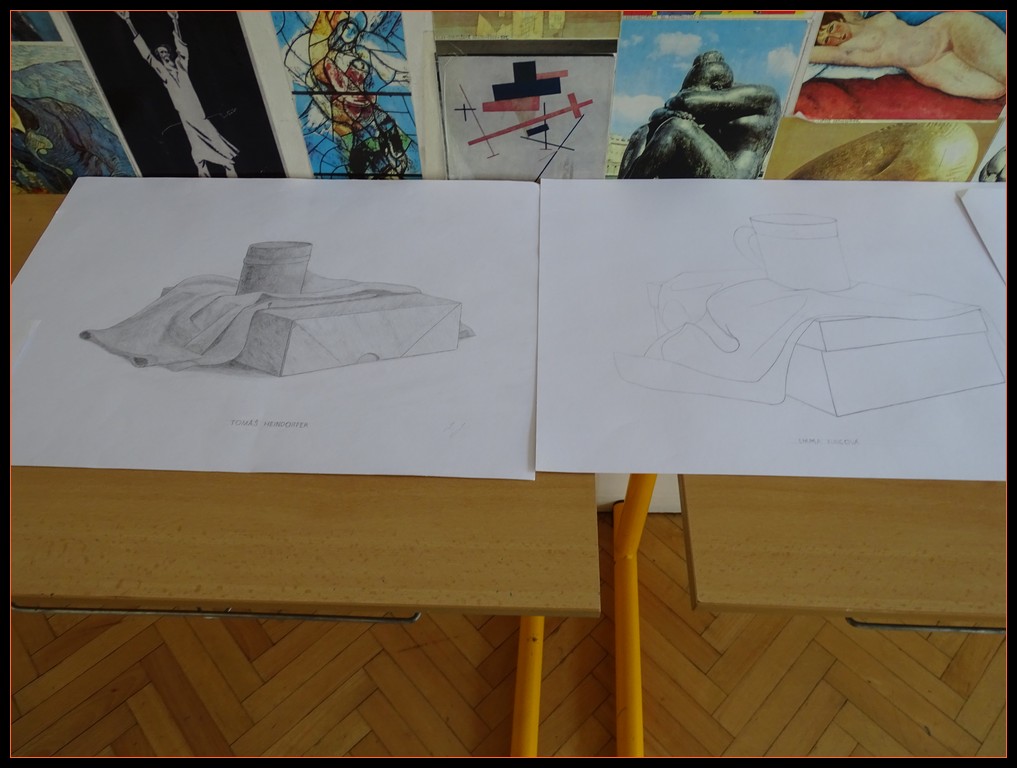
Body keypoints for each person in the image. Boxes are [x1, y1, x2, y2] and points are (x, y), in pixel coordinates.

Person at [618, 50, 781, 180]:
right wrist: (672, 112)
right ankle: (624, 189)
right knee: (644, 131)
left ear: (717, 86)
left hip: (733, 179)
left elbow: (686, 101)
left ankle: (632, 192)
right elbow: (657, 114)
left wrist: (676, 106)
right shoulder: (715, 100)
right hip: (704, 170)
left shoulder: (762, 95)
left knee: (678, 127)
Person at [116, 11, 239, 177]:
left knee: (226, 159)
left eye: (165, 52)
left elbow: (181, 47)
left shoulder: (182, 66)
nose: (163, 55)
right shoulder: (163, 74)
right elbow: (147, 55)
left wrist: (175, 20)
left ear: (170, 53)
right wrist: (128, 21)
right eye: (160, 53)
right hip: (188, 122)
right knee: (200, 161)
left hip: (200, 119)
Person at [811, 12, 1006, 101]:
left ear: (838, 18)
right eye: (827, 39)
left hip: (946, 29)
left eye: (832, 28)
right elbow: (806, 52)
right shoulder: (845, 51)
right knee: (997, 90)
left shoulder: (855, 18)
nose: (835, 36)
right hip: (933, 66)